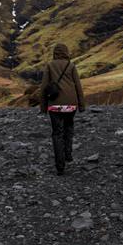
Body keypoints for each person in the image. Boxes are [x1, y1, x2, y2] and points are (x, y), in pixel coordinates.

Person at [37, 43, 85, 175]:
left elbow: (43, 87)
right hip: (71, 104)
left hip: (55, 105)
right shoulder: (71, 66)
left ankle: (60, 167)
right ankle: (68, 154)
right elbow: (78, 86)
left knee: (57, 133)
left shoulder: (50, 66)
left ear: (55, 53)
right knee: (69, 127)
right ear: (66, 52)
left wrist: (43, 107)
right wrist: (81, 105)